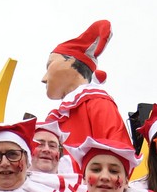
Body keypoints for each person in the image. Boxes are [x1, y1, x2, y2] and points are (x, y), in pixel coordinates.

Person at [41, 20, 130, 150]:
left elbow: (120, 152)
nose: (44, 79)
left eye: (50, 65)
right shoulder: (56, 117)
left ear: (70, 62)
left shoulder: (97, 103)